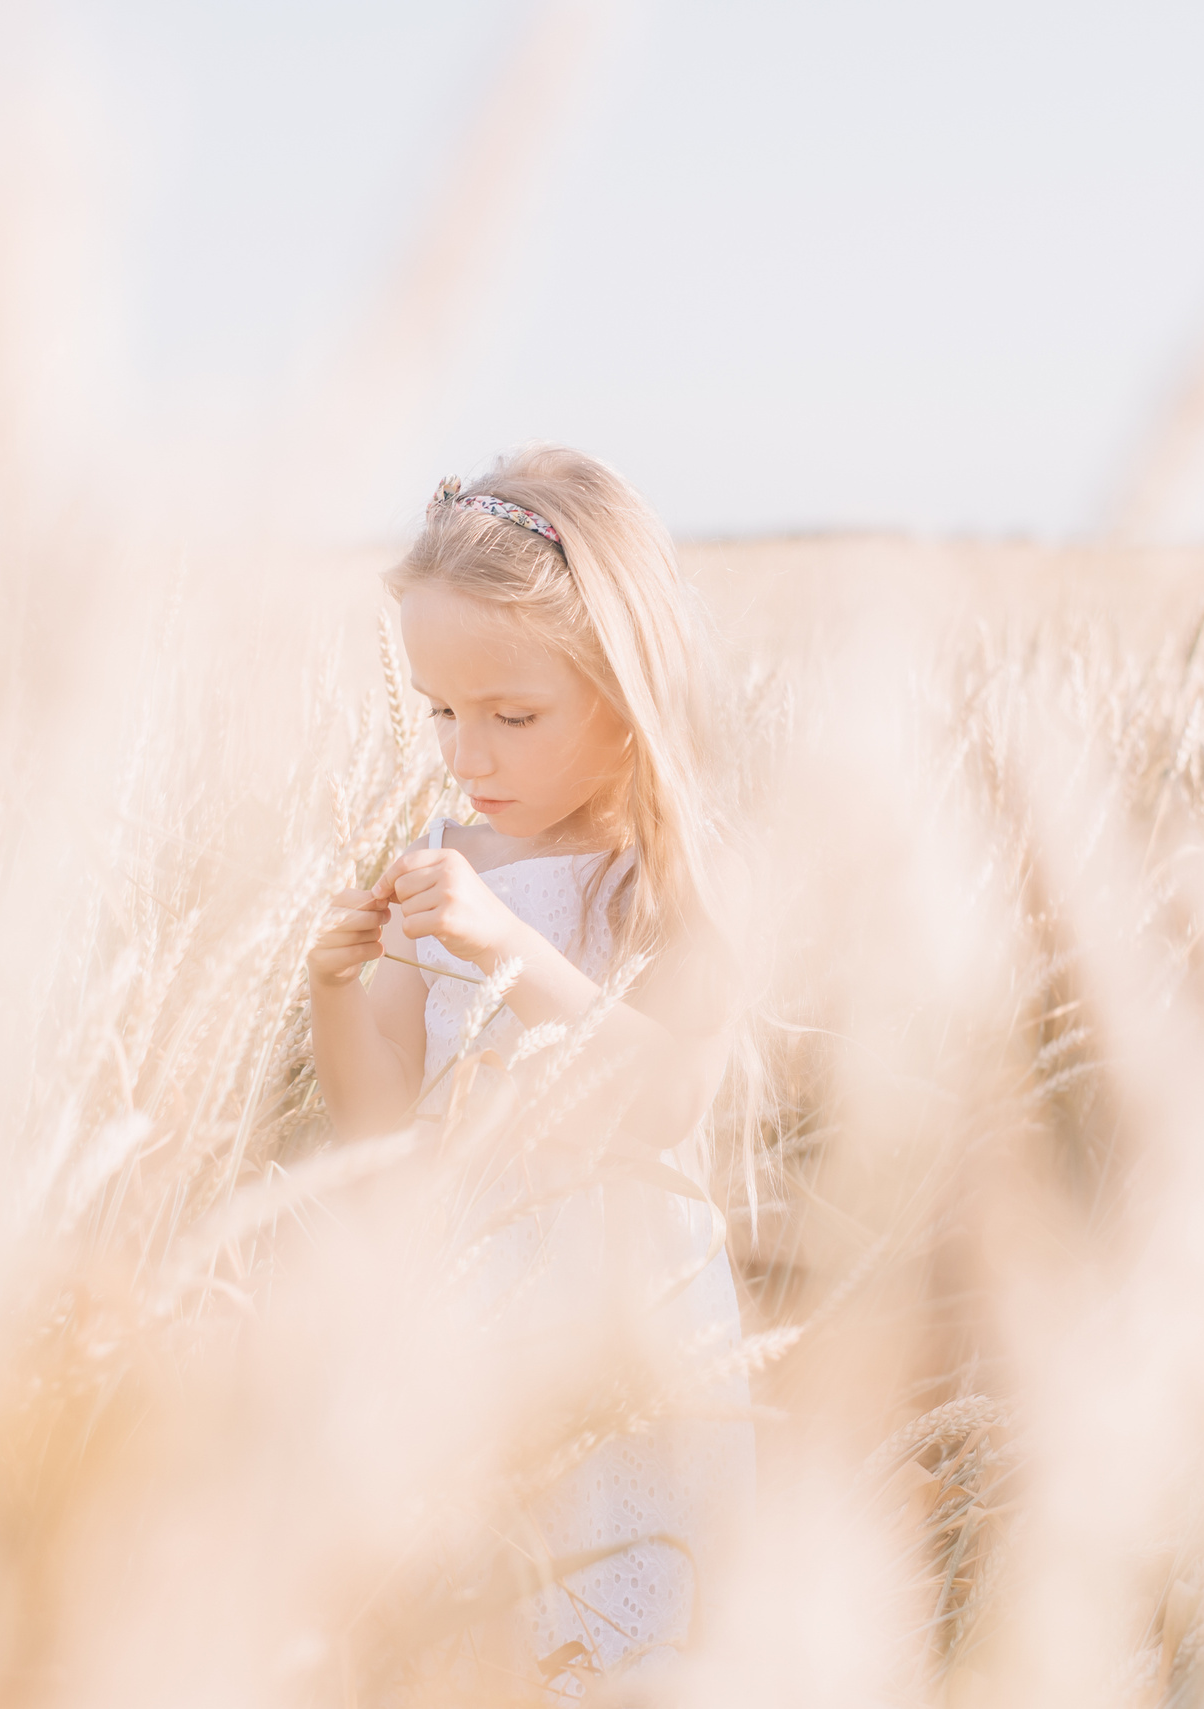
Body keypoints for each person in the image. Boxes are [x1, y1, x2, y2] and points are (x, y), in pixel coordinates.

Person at [306, 445, 758, 1699]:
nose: (467, 754)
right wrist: (332, 987)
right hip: (477, 1286)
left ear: (626, 690)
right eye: (439, 711)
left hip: (625, 1308)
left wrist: (507, 946)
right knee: (484, 1611)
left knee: (625, 1606)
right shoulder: (448, 847)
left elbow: (666, 1098)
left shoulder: (667, 879)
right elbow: (382, 1110)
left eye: (511, 715)